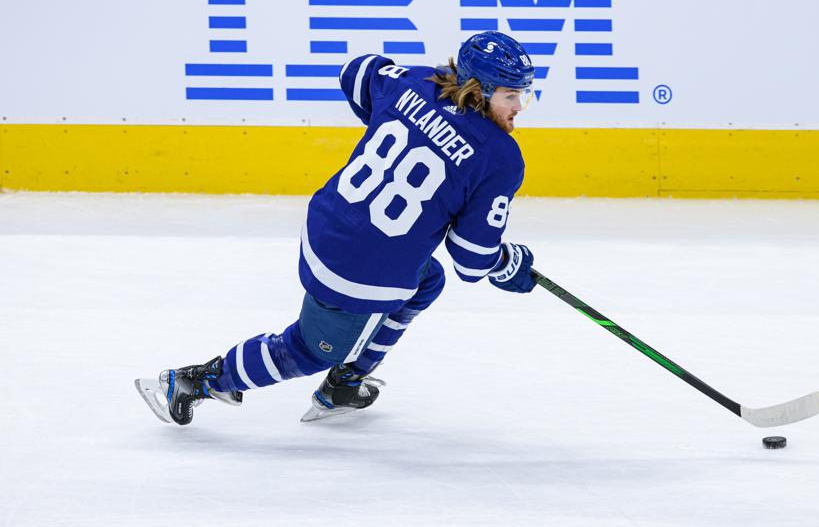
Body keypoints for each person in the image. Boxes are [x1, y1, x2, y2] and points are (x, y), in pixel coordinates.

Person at [135, 31, 538, 425]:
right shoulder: (500, 157)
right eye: (509, 95)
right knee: (308, 349)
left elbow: (356, 70)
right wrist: (506, 263)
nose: (518, 105)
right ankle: (195, 382)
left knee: (427, 279)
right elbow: (471, 261)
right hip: (363, 273)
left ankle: (345, 385)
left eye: (523, 93)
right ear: (478, 89)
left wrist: (395, 118)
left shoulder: (414, 82)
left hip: (324, 228)